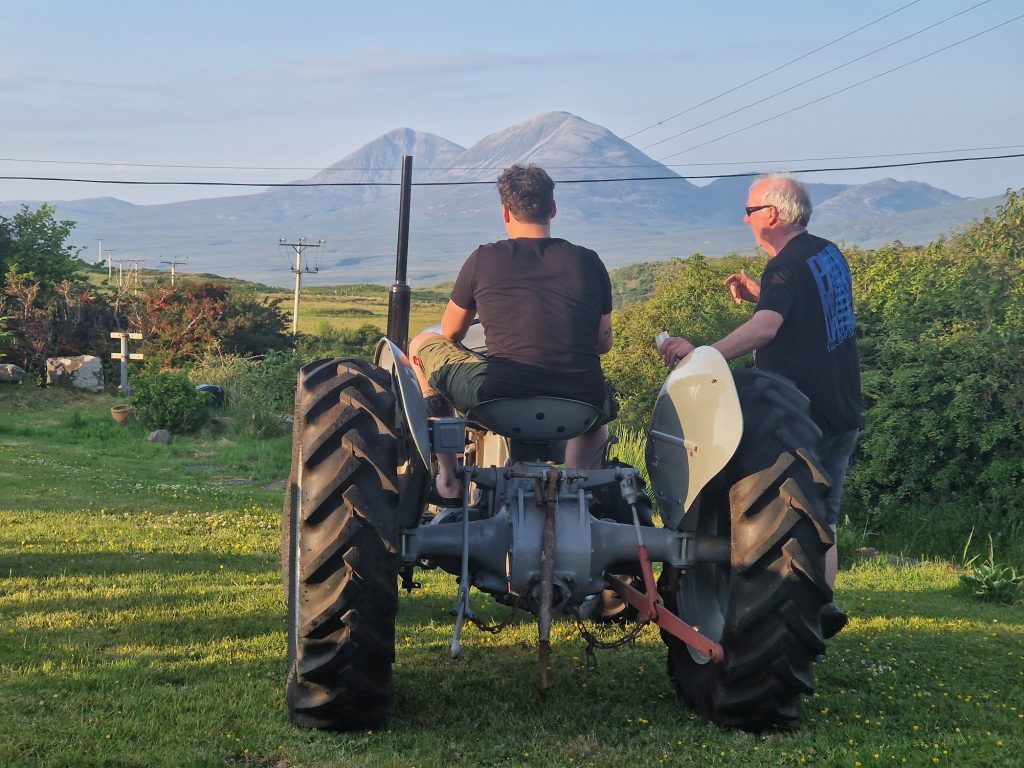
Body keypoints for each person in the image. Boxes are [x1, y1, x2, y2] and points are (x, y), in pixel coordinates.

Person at [659, 174, 862, 639]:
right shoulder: (827, 253)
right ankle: (820, 606)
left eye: (749, 210)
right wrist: (762, 295)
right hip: (843, 406)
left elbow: (767, 329)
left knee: (769, 514)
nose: (744, 218)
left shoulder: (784, 266)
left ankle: (756, 607)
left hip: (797, 416)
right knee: (822, 517)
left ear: (772, 215)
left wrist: (702, 357)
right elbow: (811, 310)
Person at [409, 163, 616, 500]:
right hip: (579, 406)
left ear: (505, 211)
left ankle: (447, 477)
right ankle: (579, 492)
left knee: (422, 345)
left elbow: (451, 332)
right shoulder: (589, 261)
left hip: (500, 400)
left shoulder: (483, 258)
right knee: (598, 412)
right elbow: (602, 343)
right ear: (552, 208)